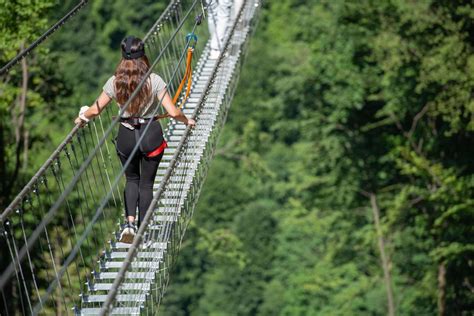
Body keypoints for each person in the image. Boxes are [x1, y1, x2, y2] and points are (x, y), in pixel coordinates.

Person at [74, 36, 196, 243]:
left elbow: (96, 109)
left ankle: (129, 223)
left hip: (126, 137)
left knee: (132, 180)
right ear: (144, 55)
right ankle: (144, 229)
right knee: (146, 185)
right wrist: (187, 120)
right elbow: (173, 112)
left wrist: (82, 117)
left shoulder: (114, 82)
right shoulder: (154, 80)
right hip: (151, 136)